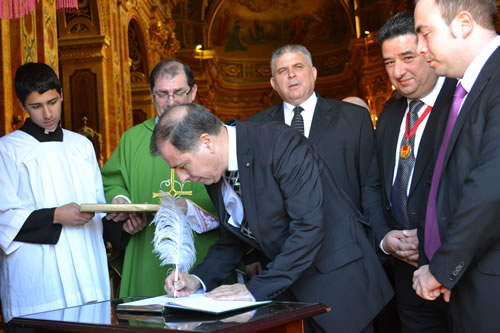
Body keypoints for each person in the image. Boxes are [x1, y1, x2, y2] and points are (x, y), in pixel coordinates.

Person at [152, 103, 394, 333]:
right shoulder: (213, 173)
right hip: (291, 293)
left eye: (182, 166)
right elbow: (233, 239)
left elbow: (308, 227)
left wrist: (255, 290)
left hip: (338, 285)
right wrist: (197, 279)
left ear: (206, 142)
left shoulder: (280, 143)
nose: (182, 178)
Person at [248, 44, 386, 270]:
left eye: (298, 66)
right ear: (273, 83)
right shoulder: (255, 129)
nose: (291, 74)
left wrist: (378, 240)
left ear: (313, 73)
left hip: (348, 252)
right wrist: (253, 254)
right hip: (282, 258)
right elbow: (252, 197)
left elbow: (371, 186)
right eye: (282, 71)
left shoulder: (354, 119)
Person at [0, 63, 113, 322]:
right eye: (36, 106)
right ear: (22, 105)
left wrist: (120, 216)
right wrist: (55, 216)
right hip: (38, 271)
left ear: (61, 94)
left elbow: (99, 204)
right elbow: (3, 218)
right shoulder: (7, 149)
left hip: (87, 262)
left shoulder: (81, 146)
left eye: (52, 101)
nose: (48, 113)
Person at [413, 0, 500, 331]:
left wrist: (442, 268)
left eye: (425, 33)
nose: (420, 48)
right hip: (465, 280)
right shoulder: (463, 87)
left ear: (463, 25)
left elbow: (491, 188)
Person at [100, 59, 220, 298]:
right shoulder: (133, 139)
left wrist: (191, 210)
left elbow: (238, 198)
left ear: (193, 91)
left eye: (178, 93)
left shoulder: (216, 135)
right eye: (162, 94)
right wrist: (124, 205)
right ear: (151, 95)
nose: (171, 102)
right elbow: (110, 182)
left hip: (208, 252)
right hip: (147, 251)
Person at [375, 12, 457, 332]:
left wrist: (426, 243)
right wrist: (385, 238)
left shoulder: (461, 102)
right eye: (388, 62)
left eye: (407, 57)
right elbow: (377, 186)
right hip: (407, 277)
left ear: (427, 51)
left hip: (457, 273)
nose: (398, 71)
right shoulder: (388, 115)